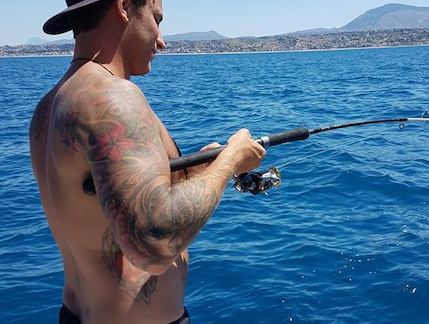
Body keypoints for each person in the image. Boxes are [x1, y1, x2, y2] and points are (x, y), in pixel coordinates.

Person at [29, 0, 266, 323]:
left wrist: (192, 172)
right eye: (156, 19)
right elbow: (152, 245)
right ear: (124, 7)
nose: (161, 40)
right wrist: (229, 162)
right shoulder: (111, 97)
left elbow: (102, 202)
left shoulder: (49, 106)